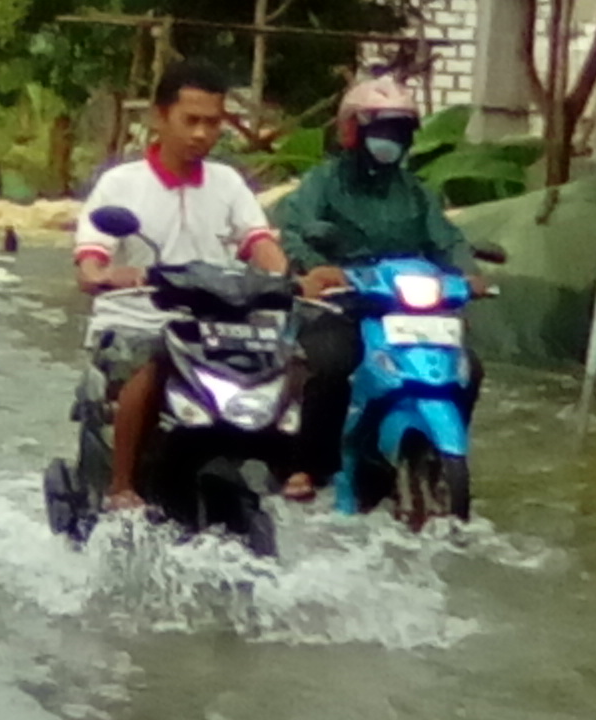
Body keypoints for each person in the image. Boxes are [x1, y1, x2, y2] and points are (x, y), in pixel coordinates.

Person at [73, 59, 289, 511]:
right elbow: (90, 261)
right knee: (154, 363)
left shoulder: (228, 183)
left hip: (215, 326)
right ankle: (121, 487)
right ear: (160, 116)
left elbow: (260, 243)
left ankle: (291, 469)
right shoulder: (120, 184)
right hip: (136, 321)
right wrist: (106, 275)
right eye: (190, 120)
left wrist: (284, 280)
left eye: (212, 123)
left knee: (291, 358)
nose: (201, 133)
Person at [275, 75, 490, 502]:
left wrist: (468, 273)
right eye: (381, 130)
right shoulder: (323, 183)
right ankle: (308, 464)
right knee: (334, 362)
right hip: (344, 303)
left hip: (405, 307)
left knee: (468, 368)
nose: (389, 140)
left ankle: (435, 454)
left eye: (399, 132)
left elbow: (446, 240)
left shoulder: (415, 193)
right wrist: (318, 268)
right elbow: (292, 229)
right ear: (351, 131)